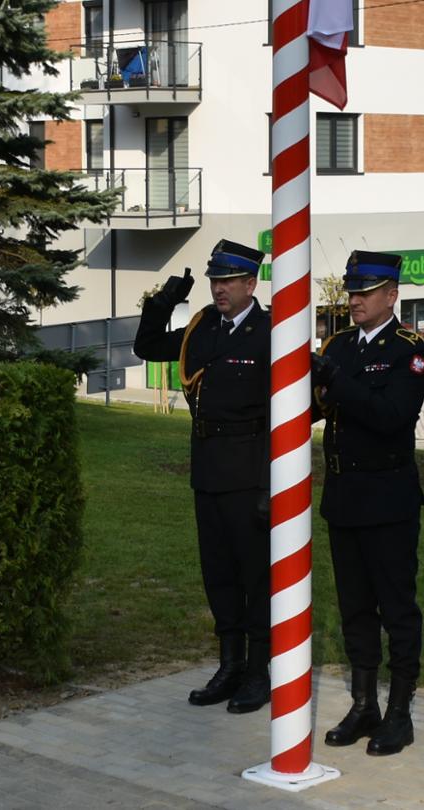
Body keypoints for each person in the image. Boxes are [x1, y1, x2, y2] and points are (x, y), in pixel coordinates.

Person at [132, 239, 275, 714]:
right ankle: (229, 665)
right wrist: (165, 298)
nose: (220, 289)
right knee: (219, 576)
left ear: (250, 283)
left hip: (250, 473)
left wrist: (269, 484)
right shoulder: (201, 327)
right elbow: (147, 345)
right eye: (215, 281)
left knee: (256, 577)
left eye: (228, 281)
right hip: (209, 470)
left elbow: (285, 415)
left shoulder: (270, 331)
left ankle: (258, 673)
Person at [308, 250, 424, 756]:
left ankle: (399, 712)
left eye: (365, 292)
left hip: (388, 498)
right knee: (355, 606)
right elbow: (316, 409)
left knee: (397, 608)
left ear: (391, 295)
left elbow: (392, 415)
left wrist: (336, 381)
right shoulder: (338, 344)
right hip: (345, 495)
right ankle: (364, 703)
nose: (355, 299)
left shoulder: (410, 349)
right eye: (351, 291)